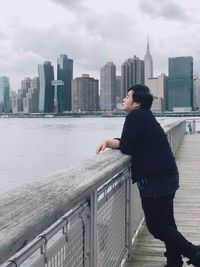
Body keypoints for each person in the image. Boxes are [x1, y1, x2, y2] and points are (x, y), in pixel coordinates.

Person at [96, 84, 200, 267]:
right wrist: (107, 141)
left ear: (136, 103)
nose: (124, 100)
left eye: (127, 97)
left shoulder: (135, 116)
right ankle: (174, 261)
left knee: (157, 227)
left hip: (156, 181)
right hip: (167, 176)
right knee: (168, 223)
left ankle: (195, 253)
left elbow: (127, 146)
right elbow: (131, 142)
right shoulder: (145, 116)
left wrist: (108, 142)